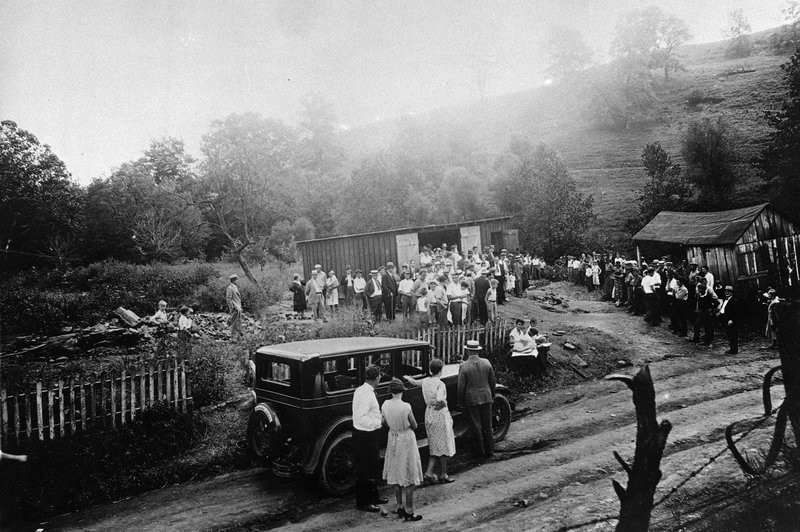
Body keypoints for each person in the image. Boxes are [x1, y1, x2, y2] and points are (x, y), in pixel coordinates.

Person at [403, 358, 456, 485]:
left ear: (431, 370)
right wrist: (444, 402)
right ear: (441, 370)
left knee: (434, 444)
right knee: (444, 444)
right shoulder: (440, 384)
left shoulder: (426, 381)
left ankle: (429, 472)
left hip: (429, 414)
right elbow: (439, 398)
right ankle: (443, 474)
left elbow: (414, 382)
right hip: (440, 415)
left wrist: (406, 377)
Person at [382, 378, 424, 521]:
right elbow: (414, 425)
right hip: (406, 439)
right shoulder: (406, 406)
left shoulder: (385, 404)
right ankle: (409, 510)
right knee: (409, 473)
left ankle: (399, 505)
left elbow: (384, 422)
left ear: (390, 391)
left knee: (396, 471)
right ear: (402, 391)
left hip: (393, 437)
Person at [352, 365, 389, 513]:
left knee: (372, 465)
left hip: (367, 434)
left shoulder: (362, 390)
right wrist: (379, 422)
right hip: (365, 435)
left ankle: (373, 497)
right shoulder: (366, 394)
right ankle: (363, 503)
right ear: (377, 378)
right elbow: (361, 418)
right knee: (364, 469)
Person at [457, 340, 496, 458]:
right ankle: (490, 451)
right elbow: (492, 381)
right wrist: (492, 395)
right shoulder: (487, 362)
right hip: (486, 396)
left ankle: (479, 452)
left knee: (476, 426)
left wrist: (460, 402)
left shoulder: (464, 366)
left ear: (468, 351)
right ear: (478, 351)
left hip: (471, 399)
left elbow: (460, 387)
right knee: (487, 425)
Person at [693, 278, 718, 346]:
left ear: (704, 290)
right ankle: (696, 339)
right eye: (698, 289)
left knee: (707, 327)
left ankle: (707, 342)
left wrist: (711, 309)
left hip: (706, 313)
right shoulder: (698, 295)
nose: (699, 290)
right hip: (700, 312)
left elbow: (717, 302)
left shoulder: (707, 297)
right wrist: (697, 309)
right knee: (696, 325)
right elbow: (698, 303)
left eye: (700, 289)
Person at [718, 285, 740, 354]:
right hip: (725, 318)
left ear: (732, 293)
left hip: (730, 320)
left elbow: (736, 312)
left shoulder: (734, 300)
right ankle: (732, 348)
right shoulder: (725, 299)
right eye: (726, 291)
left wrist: (732, 320)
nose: (727, 293)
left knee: (733, 335)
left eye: (729, 292)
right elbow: (724, 308)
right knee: (729, 334)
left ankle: (734, 350)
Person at [226, 274, 243, 342]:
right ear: (233, 280)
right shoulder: (230, 288)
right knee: (234, 323)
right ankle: (233, 338)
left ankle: (238, 337)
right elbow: (228, 299)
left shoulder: (235, 287)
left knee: (238, 323)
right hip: (235, 308)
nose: (237, 281)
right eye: (236, 280)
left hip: (238, 308)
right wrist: (232, 308)